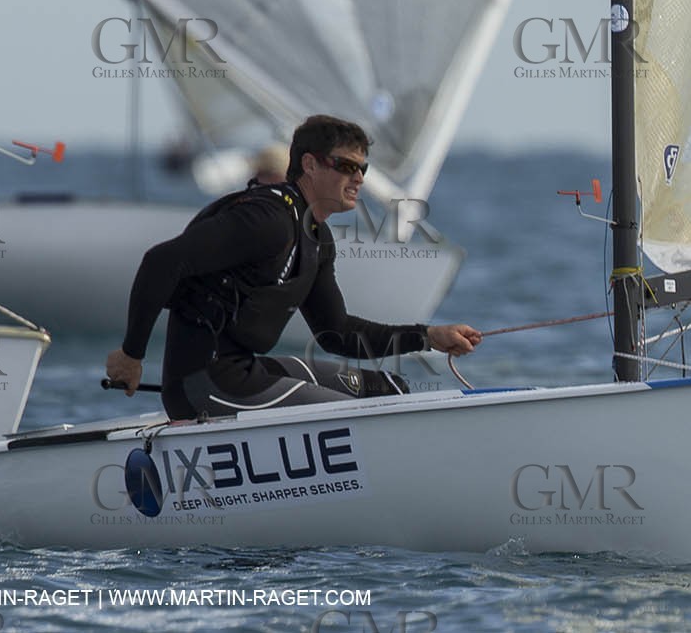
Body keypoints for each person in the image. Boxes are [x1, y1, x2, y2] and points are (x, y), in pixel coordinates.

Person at [105, 115, 481, 419]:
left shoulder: (316, 237)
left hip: (244, 369)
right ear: (310, 165)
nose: (359, 179)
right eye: (347, 166)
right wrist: (131, 355)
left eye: (363, 169)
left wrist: (429, 336)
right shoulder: (266, 218)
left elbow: (337, 333)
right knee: (359, 417)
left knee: (388, 390)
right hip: (205, 384)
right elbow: (162, 261)